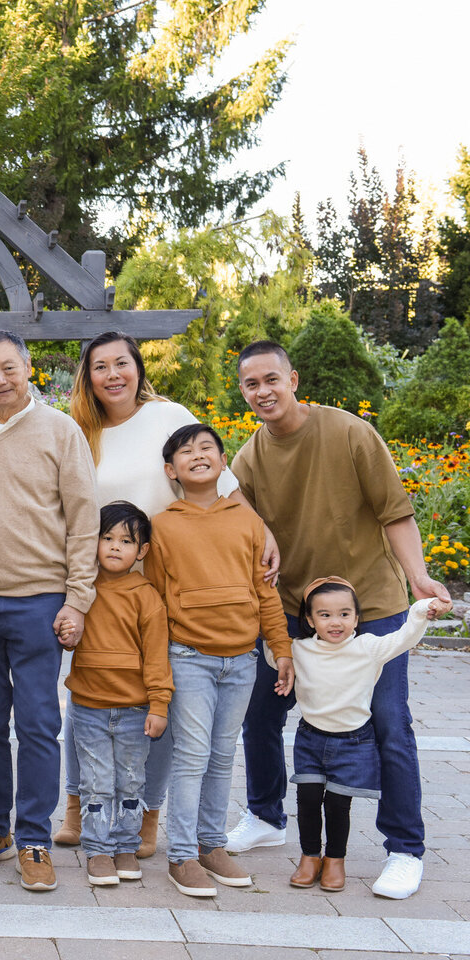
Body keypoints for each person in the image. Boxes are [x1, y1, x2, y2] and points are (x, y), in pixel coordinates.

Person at [227, 340, 451, 900]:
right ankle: (265, 816)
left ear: (293, 379)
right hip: (295, 610)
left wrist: (419, 578)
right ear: (243, 392)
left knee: (388, 723)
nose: (263, 391)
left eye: (271, 379)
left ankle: (404, 849)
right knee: (261, 713)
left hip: (369, 606)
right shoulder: (248, 459)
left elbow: (395, 512)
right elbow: (239, 527)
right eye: (251, 384)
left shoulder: (351, 432)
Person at [56, 330, 275, 859]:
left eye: (122, 363)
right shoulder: (77, 430)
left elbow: (221, 483)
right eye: (100, 366)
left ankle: (146, 814)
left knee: (157, 700)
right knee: (86, 697)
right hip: (101, 585)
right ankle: (77, 808)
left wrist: (263, 532)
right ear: (88, 376)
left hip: (166, 582)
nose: (113, 375)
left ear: (138, 368)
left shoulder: (166, 416)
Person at [0, 330, 98, 893]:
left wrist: (78, 599)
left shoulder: (61, 430)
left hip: (39, 600)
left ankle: (33, 837)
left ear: (29, 369)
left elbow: (84, 520)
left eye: (9, 368)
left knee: (37, 724)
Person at [143, 422, 295, 898]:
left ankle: (211, 844)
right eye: (185, 451)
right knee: (192, 755)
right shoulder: (163, 525)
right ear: (171, 470)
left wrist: (281, 648)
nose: (198, 455)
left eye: (207, 447)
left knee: (223, 754)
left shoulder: (247, 522)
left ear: (223, 461)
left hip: (242, 660)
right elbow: (155, 598)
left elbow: (265, 592)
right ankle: (181, 854)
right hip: (188, 656)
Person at [284, 578, 450, 894]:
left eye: (345, 614)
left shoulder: (367, 648)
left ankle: (335, 860)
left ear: (357, 618)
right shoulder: (299, 649)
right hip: (310, 739)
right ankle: (309, 857)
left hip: (352, 742)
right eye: (325, 615)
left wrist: (420, 610)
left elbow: (404, 638)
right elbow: (271, 649)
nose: (336, 622)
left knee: (337, 805)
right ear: (310, 620)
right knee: (307, 799)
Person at [67, 501, 172, 887]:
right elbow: (66, 635)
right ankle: (97, 850)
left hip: (134, 709)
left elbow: (157, 656)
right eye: (107, 538)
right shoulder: (81, 590)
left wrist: (159, 704)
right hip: (89, 707)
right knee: (95, 781)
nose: (115, 546)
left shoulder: (146, 596)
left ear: (141, 551)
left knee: (130, 781)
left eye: (126, 541)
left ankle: (126, 846)